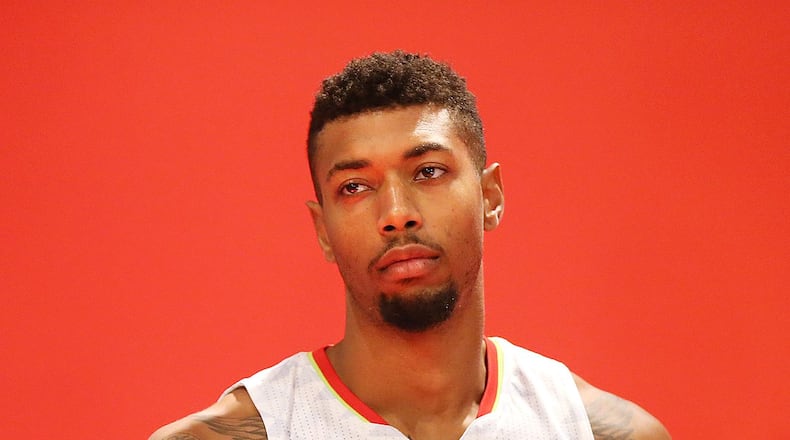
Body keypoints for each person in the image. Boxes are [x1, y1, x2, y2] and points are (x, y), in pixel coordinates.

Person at [150, 51, 671, 440]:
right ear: (323, 230)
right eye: (355, 187)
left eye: (428, 171)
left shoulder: (595, 431)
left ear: (490, 196)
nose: (397, 214)